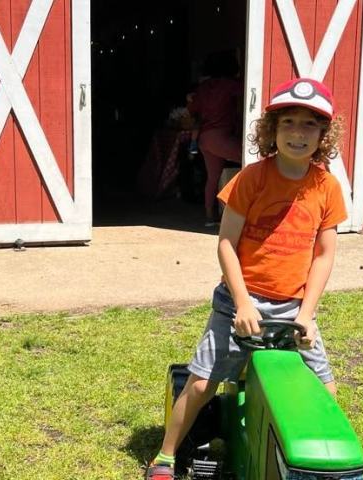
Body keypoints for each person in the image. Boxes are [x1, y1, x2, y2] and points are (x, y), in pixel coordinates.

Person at [145, 77, 347, 480]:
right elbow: (226, 245)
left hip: (293, 307)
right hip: (240, 300)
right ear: (272, 130)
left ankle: (319, 468)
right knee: (202, 383)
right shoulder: (252, 178)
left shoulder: (326, 187)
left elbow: (324, 256)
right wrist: (241, 303)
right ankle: (165, 456)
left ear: (324, 134)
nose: (298, 133)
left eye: (310, 125)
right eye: (288, 122)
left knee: (326, 389)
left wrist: (306, 314)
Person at [187, 51, 244, 226]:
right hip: (222, 137)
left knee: (212, 178)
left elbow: (192, 109)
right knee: (251, 164)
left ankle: (209, 217)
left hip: (205, 138)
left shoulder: (203, 88)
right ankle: (229, 204)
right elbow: (249, 89)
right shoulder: (230, 85)